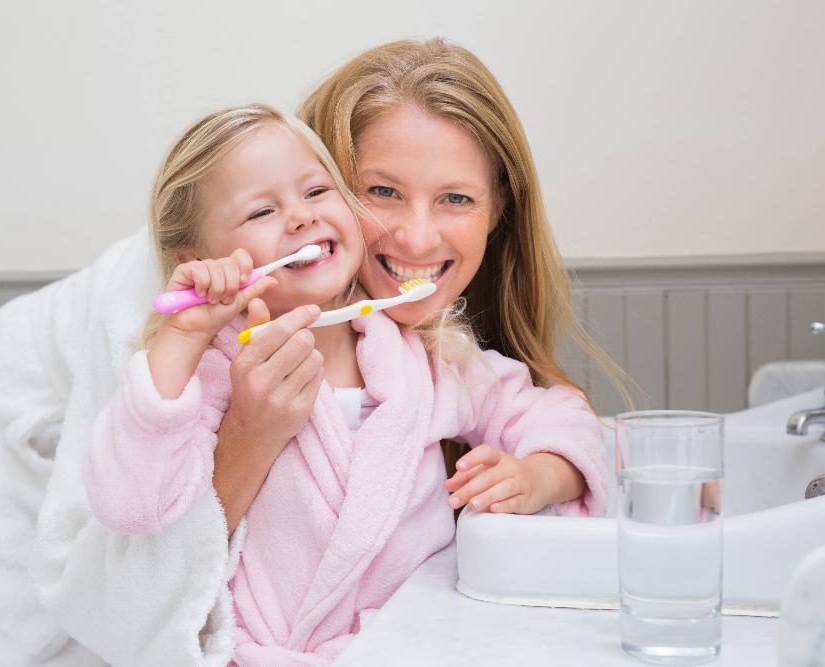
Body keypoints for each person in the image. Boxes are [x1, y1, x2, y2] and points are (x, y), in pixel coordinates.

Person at [83, 102, 605, 665]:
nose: (301, 218)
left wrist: (538, 475)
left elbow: (557, 415)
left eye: (316, 191)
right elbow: (134, 504)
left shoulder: (425, 358)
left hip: (420, 644)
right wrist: (180, 338)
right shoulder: (214, 369)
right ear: (202, 257)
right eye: (262, 211)